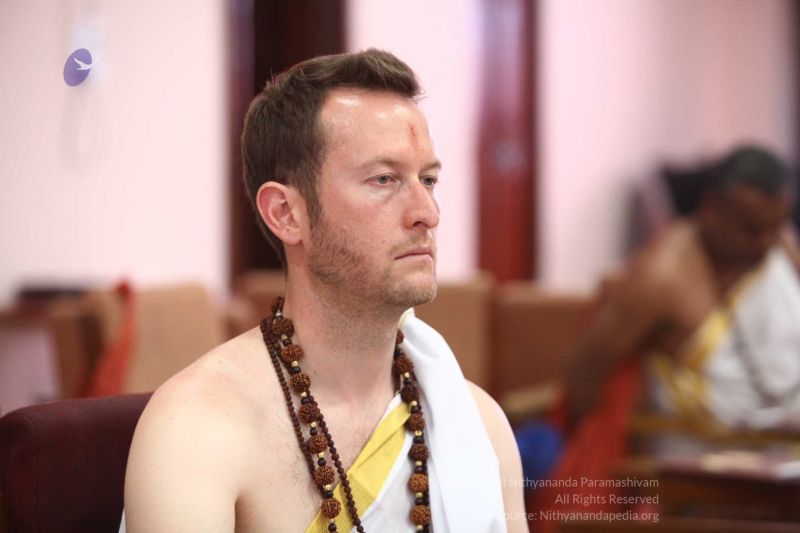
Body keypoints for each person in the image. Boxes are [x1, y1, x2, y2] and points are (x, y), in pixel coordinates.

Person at [122, 49, 526, 532]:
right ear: (286, 214)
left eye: (428, 180)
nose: (428, 213)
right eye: (384, 179)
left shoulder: (476, 424)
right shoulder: (199, 428)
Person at [564, 146, 800, 434]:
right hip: (702, 453)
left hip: (787, 441)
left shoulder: (779, 243)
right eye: (751, 229)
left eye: (774, 227)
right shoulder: (661, 277)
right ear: (712, 207)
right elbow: (585, 372)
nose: (765, 243)